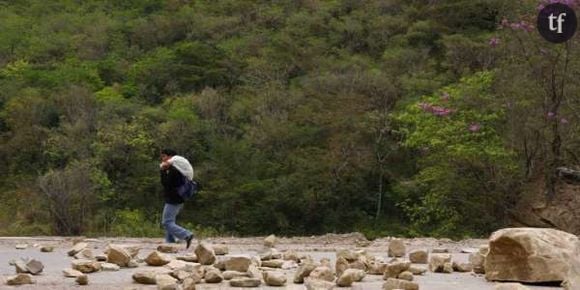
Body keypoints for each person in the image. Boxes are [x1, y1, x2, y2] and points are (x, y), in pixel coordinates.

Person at [159, 148, 194, 249]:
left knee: (167, 222)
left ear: (170, 157)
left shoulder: (174, 171)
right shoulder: (178, 169)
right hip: (178, 198)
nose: (163, 159)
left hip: (173, 198)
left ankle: (186, 235)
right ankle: (170, 241)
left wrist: (162, 171)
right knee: (171, 220)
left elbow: (166, 184)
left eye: (164, 156)